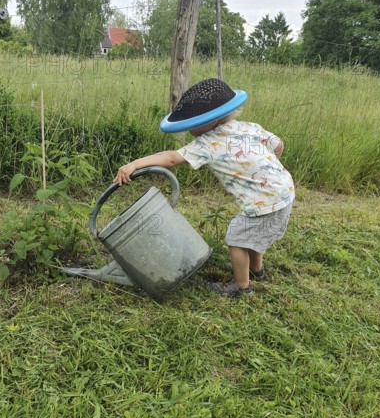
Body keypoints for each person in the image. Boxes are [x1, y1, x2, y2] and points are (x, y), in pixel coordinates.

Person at [114, 78, 295, 297]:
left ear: (210, 122)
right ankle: (257, 270)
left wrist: (135, 164)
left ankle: (241, 287)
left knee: (237, 238)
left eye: (193, 121)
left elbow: (171, 159)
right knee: (253, 234)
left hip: (266, 198)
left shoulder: (208, 142)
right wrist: (268, 173)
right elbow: (279, 145)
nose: (189, 125)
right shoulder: (249, 127)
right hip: (285, 189)